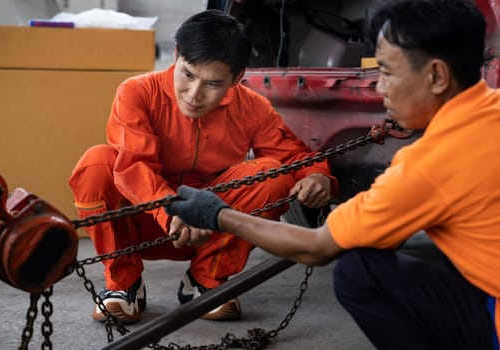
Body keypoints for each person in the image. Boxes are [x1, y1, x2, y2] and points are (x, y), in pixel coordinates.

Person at [165, 0, 500, 349]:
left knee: (359, 271)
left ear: (436, 76)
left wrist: (218, 214)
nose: (380, 88)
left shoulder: (428, 165)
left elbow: (319, 246)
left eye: (387, 72)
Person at [68, 9, 337, 324]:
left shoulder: (254, 107)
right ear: (178, 55)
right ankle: (124, 285)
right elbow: (133, 165)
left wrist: (318, 176)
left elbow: (293, 155)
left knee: (270, 176)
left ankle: (206, 281)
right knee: (96, 164)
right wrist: (171, 211)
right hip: (145, 225)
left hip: (213, 229)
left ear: (236, 79)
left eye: (212, 83)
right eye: (188, 74)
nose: (194, 94)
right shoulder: (136, 92)